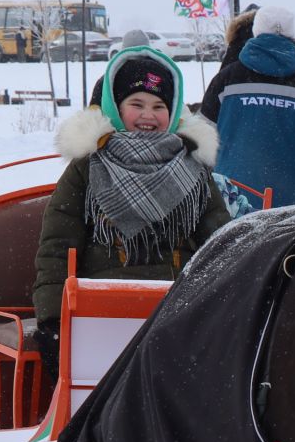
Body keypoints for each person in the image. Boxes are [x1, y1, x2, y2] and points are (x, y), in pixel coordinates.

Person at [33, 35, 230, 370]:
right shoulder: (89, 165)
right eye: (136, 104)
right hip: (104, 306)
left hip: (176, 304)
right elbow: (57, 244)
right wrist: (53, 318)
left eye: (158, 106)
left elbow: (221, 241)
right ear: (115, 106)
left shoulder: (193, 168)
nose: (147, 116)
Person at [198, 5, 295, 212]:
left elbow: (201, 139)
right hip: (293, 207)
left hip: (231, 203)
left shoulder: (227, 79)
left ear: (256, 31)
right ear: (292, 35)